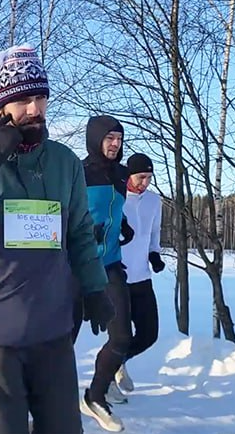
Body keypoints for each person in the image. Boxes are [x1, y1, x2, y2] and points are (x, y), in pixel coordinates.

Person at [0, 44, 113, 434]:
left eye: (41, 97)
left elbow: (80, 232)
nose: (35, 109)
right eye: (23, 99)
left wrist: (95, 287)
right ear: (0, 107)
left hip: (52, 327)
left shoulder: (63, 162)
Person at [77, 114, 134, 432]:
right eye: (109, 138)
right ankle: (45, 410)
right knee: (59, 343)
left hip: (110, 264)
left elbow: (114, 207)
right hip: (76, 267)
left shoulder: (121, 175)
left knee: (122, 337)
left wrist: (121, 225)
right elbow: (69, 214)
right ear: (95, 139)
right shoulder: (79, 173)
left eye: (119, 139)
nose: (115, 144)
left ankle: (95, 395)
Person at [113, 153, 164, 397]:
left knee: (148, 334)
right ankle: (106, 382)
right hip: (118, 277)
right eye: (141, 177)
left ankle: (116, 363)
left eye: (149, 178)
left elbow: (154, 232)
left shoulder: (154, 201)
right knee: (120, 336)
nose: (145, 183)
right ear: (129, 174)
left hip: (142, 277)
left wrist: (154, 254)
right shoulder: (116, 197)